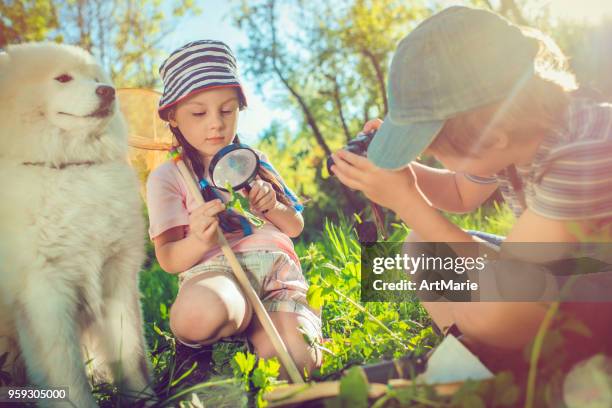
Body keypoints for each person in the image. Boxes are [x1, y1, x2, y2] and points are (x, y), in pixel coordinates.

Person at [330, 6, 612, 369]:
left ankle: (509, 354)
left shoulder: (584, 152)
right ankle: (474, 348)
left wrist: (408, 203)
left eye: (435, 151)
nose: (430, 156)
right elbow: (460, 195)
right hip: (565, 271)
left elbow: (514, 278)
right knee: (421, 244)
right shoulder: (511, 137)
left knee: (493, 308)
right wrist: (402, 172)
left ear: (490, 139)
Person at [146, 40, 322, 379]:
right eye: (199, 113)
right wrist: (198, 239)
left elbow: (295, 225)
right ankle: (201, 350)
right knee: (202, 312)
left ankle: (251, 345)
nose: (216, 124)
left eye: (227, 110)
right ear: (173, 116)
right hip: (217, 272)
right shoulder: (168, 175)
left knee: (297, 363)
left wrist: (272, 207)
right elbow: (168, 258)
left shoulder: (254, 161)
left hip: (276, 277)